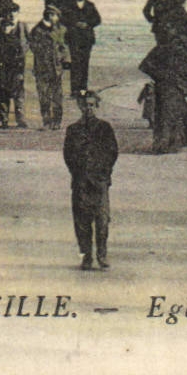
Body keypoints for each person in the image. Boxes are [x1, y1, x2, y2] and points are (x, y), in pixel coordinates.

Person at [64, 91, 119, 270]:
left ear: (97, 106)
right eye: (85, 105)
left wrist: (104, 172)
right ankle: (86, 257)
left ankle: (102, 255)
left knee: (102, 222)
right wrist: (77, 173)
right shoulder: (73, 130)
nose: (88, 108)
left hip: (100, 181)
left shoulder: (105, 128)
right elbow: (68, 155)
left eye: (91, 105)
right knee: (82, 223)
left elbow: (112, 152)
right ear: (80, 107)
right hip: (80, 182)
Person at [29, 6, 69, 129]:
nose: (57, 18)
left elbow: (64, 47)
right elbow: (33, 47)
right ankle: (46, 121)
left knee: (57, 97)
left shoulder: (61, 29)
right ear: (50, 15)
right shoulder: (37, 31)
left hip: (56, 69)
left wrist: (62, 58)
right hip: (42, 68)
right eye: (55, 16)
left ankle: (57, 122)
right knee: (44, 96)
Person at [0, 5, 29, 128]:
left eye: (14, 13)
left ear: (18, 13)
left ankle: (20, 119)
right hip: (3, 67)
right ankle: (4, 119)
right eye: (9, 14)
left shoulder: (22, 26)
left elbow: (30, 42)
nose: (12, 16)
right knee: (3, 94)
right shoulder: (1, 29)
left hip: (18, 65)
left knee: (19, 94)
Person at [65, 0, 102, 97]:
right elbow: (63, 19)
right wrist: (74, 23)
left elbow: (97, 19)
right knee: (75, 63)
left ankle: (83, 88)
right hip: (74, 38)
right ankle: (75, 89)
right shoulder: (69, 5)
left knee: (84, 63)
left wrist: (87, 24)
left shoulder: (90, 5)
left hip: (86, 39)